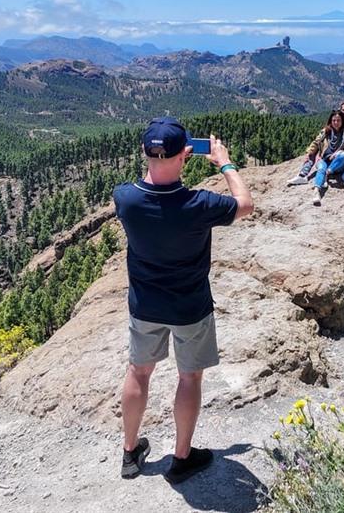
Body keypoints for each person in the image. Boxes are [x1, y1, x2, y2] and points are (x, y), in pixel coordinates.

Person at [113, 117, 254, 484]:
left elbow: (154, 189)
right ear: (185, 155)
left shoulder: (124, 198)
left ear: (144, 152)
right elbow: (245, 204)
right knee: (189, 377)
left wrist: (168, 162)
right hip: (190, 307)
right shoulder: (199, 204)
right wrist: (224, 161)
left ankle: (130, 453)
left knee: (138, 372)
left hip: (145, 305)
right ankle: (182, 457)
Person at [288, 110, 344, 205]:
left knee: (343, 155)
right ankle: (316, 192)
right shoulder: (325, 132)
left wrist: (340, 153)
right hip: (324, 159)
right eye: (334, 120)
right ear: (330, 121)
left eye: (338, 120)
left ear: (342, 122)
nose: (336, 123)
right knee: (321, 168)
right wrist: (309, 153)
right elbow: (316, 143)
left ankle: (327, 173)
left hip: (338, 164)